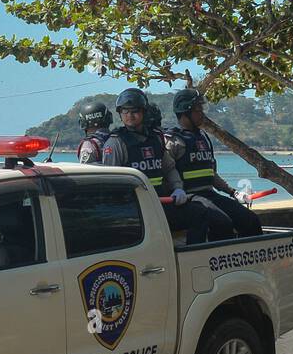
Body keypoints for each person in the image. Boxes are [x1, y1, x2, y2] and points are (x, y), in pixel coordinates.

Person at [99, 88, 211, 243]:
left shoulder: (156, 138)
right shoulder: (116, 142)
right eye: (125, 112)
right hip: (135, 208)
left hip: (161, 202)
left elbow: (169, 168)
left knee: (201, 214)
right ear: (120, 114)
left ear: (143, 112)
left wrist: (177, 188)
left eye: (135, 111)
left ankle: (192, 258)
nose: (130, 116)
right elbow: (110, 183)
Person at [162, 88, 262, 241]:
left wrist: (233, 192)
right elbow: (166, 171)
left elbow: (210, 173)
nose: (202, 113)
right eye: (198, 109)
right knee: (221, 223)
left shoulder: (202, 138)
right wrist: (176, 191)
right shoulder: (172, 141)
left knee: (250, 220)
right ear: (185, 112)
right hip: (188, 198)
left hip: (209, 194)